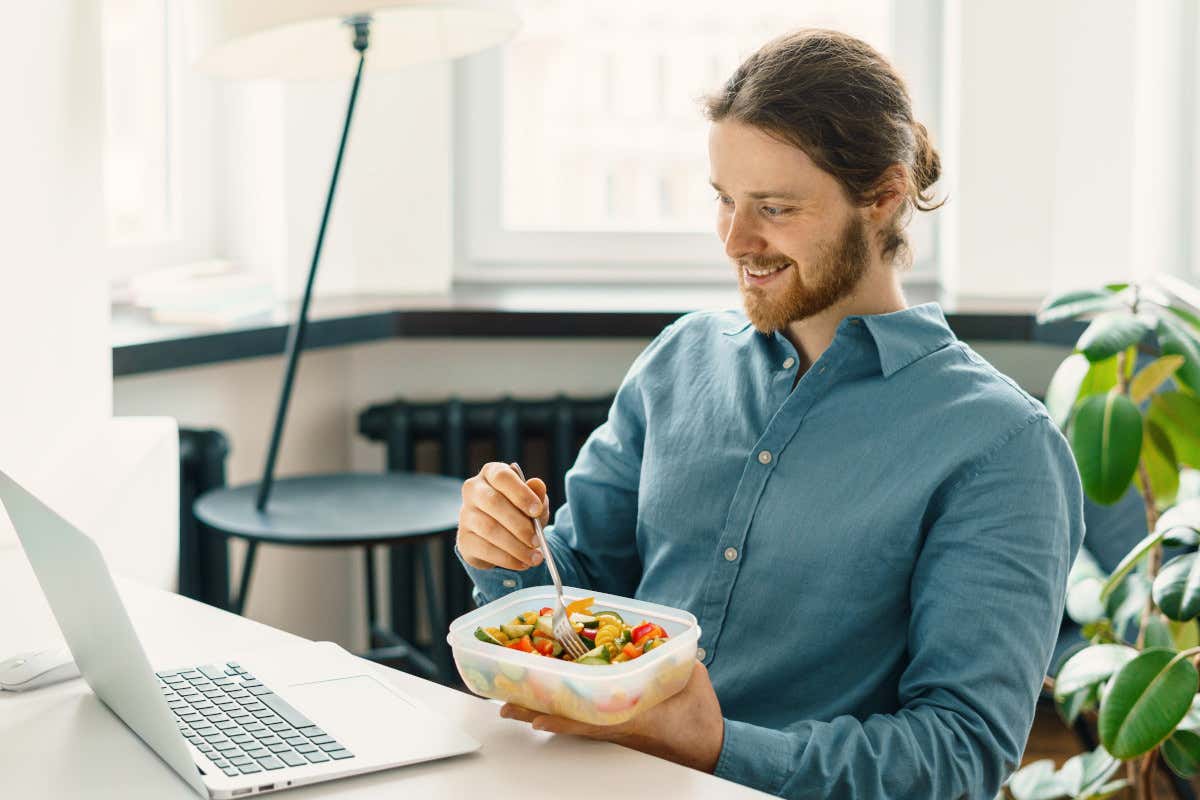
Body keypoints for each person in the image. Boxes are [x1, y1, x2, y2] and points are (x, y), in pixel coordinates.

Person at [455, 28, 1084, 799]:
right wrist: (511, 554)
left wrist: (716, 747)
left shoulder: (1000, 447)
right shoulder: (681, 358)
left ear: (883, 195)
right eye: (723, 199)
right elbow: (578, 585)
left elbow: (958, 753)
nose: (734, 240)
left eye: (776, 208)